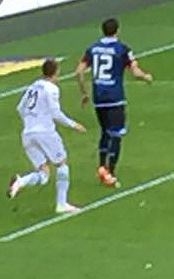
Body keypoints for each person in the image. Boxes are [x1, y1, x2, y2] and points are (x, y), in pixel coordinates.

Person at [76, 18, 154, 188]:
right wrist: (146, 77)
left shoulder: (92, 49)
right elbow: (135, 72)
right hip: (115, 98)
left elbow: (79, 72)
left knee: (105, 132)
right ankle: (110, 172)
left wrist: (84, 93)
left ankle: (101, 167)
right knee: (116, 135)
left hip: (98, 97)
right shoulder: (122, 49)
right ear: (117, 30)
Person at [8, 59, 87, 214]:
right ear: (56, 72)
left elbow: (20, 108)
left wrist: (30, 122)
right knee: (62, 164)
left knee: (44, 174)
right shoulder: (52, 89)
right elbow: (55, 113)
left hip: (27, 133)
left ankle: (20, 182)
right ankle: (61, 204)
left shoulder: (33, 86)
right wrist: (73, 124)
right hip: (45, 133)